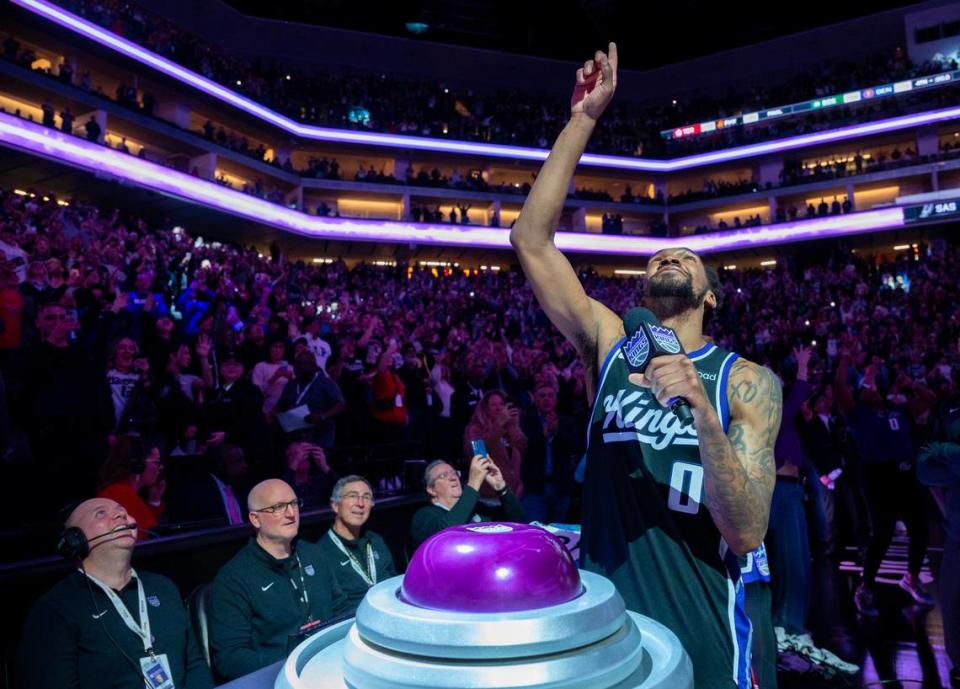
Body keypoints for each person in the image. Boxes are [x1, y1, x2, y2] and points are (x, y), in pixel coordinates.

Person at [509, 43, 780, 689]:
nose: (668, 258)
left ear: (711, 294)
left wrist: (703, 415)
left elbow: (745, 530)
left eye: (685, 257)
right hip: (613, 614)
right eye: (658, 255)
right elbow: (530, 240)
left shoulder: (745, 381)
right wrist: (584, 119)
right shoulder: (610, 340)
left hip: (707, 611)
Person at [18, 498, 213, 689]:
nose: (121, 514)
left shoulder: (163, 587)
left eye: (123, 511)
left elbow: (194, 664)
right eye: (100, 513)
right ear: (75, 540)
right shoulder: (55, 609)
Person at [208, 479, 348, 680]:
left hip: (331, 667)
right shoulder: (233, 578)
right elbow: (230, 659)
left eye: (293, 504)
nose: (291, 514)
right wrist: (293, 661)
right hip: (276, 677)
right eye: (278, 507)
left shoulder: (314, 555)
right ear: (255, 519)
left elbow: (341, 611)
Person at [317, 475, 396, 614]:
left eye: (366, 497)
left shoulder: (375, 541)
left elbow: (393, 582)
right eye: (352, 496)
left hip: (390, 614)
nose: (360, 503)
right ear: (335, 505)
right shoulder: (321, 553)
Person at [410, 455, 526, 549]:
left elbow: (518, 521)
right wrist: (474, 483)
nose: (453, 477)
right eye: (443, 475)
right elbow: (445, 535)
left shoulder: (477, 509)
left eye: (455, 472)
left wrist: (501, 487)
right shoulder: (424, 516)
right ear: (431, 489)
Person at [520, 382, 583, 523]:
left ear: (556, 399)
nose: (546, 399)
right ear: (535, 400)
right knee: (535, 530)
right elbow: (524, 447)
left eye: (550, 395)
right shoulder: (526, 421)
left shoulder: (567, 421)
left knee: (558, 531)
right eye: (542, 396)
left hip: (560, 486)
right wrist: (544, 434)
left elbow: (576, 446)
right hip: (534, 488)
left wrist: (556, 432)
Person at [97, 435, 165, 540]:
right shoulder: (119, 495)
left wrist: (154, 501)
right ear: (138, 465)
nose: (160, 467)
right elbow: (147, 538)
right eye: (156, 462)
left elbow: (151, 531)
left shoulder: (124, 492)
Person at [463, 389, 526, 498]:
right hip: (489, 495)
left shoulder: (509, 429)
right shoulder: (475, 429)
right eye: (494, 405)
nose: (499, 408)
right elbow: (478, 453)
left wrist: (515, 426)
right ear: (485, 408)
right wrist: (498, 424)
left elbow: (524, 449)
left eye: (502, 404)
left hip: (512, 495)